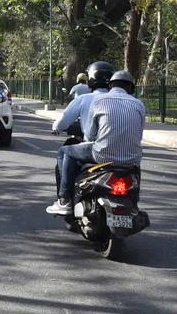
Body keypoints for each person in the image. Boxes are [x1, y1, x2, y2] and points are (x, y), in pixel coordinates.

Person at [48, 67, 145, 214]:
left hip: (102, 155)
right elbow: (139, 132)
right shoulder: (139, 104)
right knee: (136, 169)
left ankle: (65, 199)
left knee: (65, 152)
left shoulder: (99, 101)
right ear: (130, 88)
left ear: (110, 85)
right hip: (132, 158)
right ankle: (134, 204)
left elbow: (91, 134)